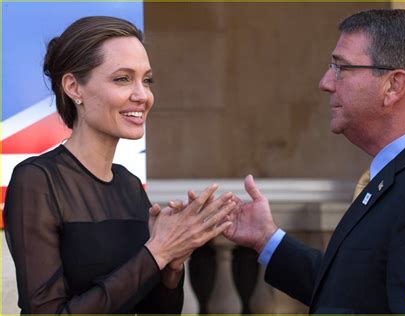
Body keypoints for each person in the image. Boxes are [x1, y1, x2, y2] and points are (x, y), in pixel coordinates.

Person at [223, 9, 405, 314]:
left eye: (341, 68)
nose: (325, 82)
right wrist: (266, 239)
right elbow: (354, 290)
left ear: (394, 86)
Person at [3, 16, 234, 314]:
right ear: (74, 87)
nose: (142, 95)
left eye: (146, 79)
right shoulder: (36, 181)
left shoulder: (130, 185)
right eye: (122, 79)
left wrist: (171, 264)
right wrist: (156, 252)